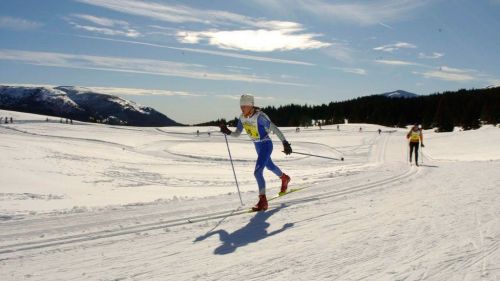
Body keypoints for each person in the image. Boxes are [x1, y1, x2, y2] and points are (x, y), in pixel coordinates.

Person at [220, 94, 292, 212]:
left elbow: (274, 128)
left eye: (244, 106)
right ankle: (285, 178)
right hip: (257, 145)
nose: (242, 108)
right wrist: (227, 132)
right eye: (241, 106)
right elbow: (237, 133)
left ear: (251, 105)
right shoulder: (242, 118)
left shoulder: (260, 117)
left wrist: (285, 142)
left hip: (266, 145)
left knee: (258, 172)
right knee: (270, 166)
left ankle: (263, 201)